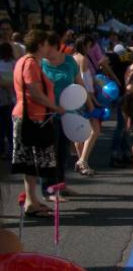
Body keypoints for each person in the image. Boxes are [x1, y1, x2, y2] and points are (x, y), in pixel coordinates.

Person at [11, 30, 65, 217]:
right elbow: (34, 91)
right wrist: (55, 107)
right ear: (41, 44)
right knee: (33, 163)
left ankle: (31, 200)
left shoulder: (25, 61)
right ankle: (31, 200)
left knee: (30, 164)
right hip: (32, 118)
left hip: (31, 116)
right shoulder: (30, 64)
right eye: (47, 44)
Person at [42, 32, 86, 193]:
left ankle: (60, 185)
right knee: (49, 153)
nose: (45, 51)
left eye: (47, 47)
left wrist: (87, 104)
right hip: (48, 115)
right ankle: (48, 189)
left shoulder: (69, 61)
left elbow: (79, 83)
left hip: (68, 114)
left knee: (62, 153)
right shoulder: (40, 64)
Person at [72, 35, 102, 176]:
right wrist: (93, 100)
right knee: (94, 129)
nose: (90, 49)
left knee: (79, 132)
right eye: (89, 46)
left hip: (74, 98)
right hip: (84, 98)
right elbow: (84, 82)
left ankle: (81, 161)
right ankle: (83, 161)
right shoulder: (82, 59)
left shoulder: (72, 58)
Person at [0, 42, 16, 159]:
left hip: (4, 99)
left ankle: (4, 150)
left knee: (4, 128)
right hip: (11, 99)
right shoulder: (14, 63)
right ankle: (11, 149)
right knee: (10, 127)